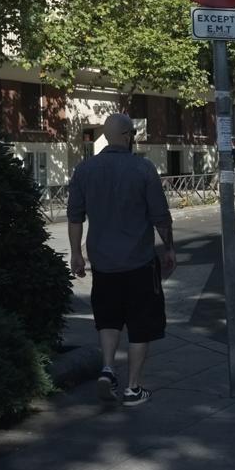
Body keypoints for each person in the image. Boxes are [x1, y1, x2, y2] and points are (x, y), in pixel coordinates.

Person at [67, 113, 175, 407]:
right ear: (128, 136)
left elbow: (75, 216)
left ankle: (108, 368)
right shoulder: (142, 168)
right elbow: (160, 217)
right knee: (141, 325)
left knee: (108, 319)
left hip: (102, 263)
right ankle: (133, 388)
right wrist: (169, 248)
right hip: (139, 262)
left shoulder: (84, 169)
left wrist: (76, 253)